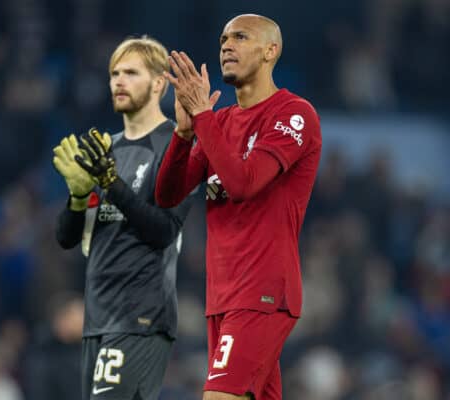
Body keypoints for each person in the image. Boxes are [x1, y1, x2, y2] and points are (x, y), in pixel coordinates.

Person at [155, 14, 322, 400]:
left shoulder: (294, 114)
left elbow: (243, 183)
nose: (227, 45)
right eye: (223, 38)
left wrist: (202, 118)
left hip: (262, 292)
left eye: (241, 37)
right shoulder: (223, 122)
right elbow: (168, 194)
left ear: (270, 51)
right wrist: (183, 135)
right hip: (224, 296)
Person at [52, 36, 194, 400]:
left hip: (141, 317)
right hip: (97, 317)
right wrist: (79, 195)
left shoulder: (176, 146)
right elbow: (67, 238)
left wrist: (110, 182)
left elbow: (163, 230)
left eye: (131, 73)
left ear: (159, 83)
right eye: (114, 73)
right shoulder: (105, 147)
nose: (118, 81)